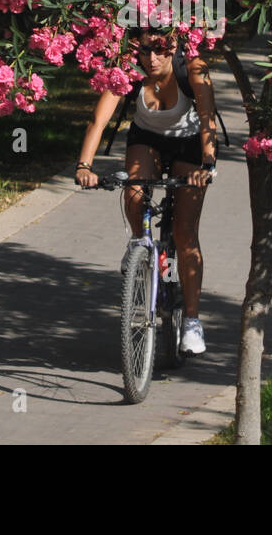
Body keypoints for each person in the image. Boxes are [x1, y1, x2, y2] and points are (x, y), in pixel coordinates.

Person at [75, 26, 218, 355]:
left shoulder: (193, 68)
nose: (151, 58)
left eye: (160, 49)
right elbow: (99, 120)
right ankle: (139, 242)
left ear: (175, 46)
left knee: (184, 233)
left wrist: (207, 166)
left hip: (189, 147)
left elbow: (208, 116)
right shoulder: (128, 70)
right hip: (147, 141)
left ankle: (193, 322)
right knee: (134, 191)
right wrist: (84, 166)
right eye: (144, 50)